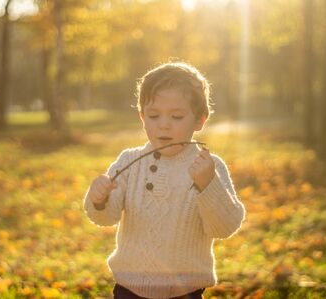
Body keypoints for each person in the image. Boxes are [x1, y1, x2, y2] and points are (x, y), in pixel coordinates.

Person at [83, 62, 246, 299]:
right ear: (142, 117)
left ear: (200, 120)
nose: (164, 124)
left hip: (184, 291)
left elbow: (224, 227)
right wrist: (99, 199)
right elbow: (106, 217)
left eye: (177, 116)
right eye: (154, 115)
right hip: (129, 288)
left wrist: (208, 185)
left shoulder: (208, 167)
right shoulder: (130, 161)